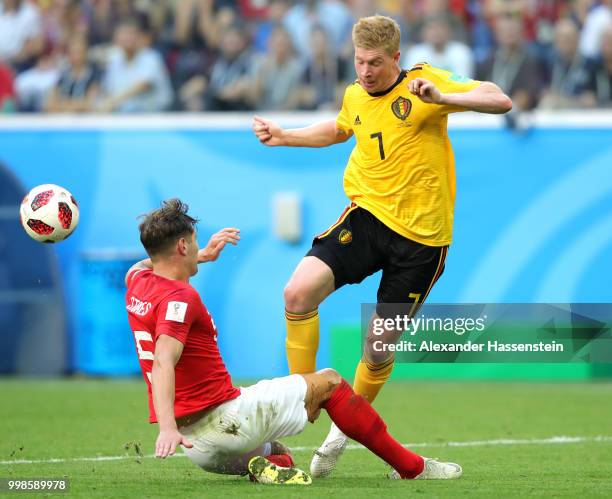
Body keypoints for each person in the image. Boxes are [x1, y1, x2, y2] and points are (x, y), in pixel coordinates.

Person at [252, 14, 512, 478]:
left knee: (376, 345)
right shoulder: (354, 93)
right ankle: (300, 397)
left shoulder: (423, 84)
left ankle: (341, 433)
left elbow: (500, 98)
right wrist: (285, 136)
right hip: (368, 219)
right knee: (297, 292)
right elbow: (338, 129)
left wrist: (445, 98)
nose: (366, 71)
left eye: (375, 62)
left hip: (422, 243)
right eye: (359, 61)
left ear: (396, 58)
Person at [125, 199, 463, 485]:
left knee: (280, 454)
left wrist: (203, 257)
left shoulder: (136, 280)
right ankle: (412, 468)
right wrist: (166, 428)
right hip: (224, 420)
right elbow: (163, 361)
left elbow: (148, 263)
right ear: (182, 246)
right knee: (330, 382)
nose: (199, 247)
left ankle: (268, 466)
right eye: (195, 242)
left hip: (199, 450)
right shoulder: (179, 300)